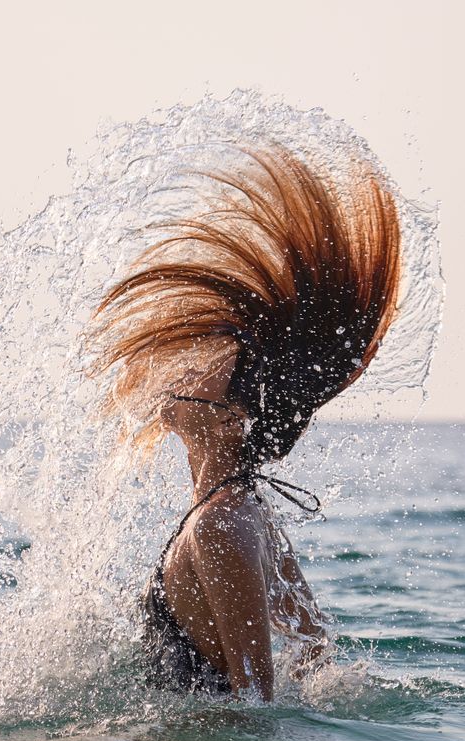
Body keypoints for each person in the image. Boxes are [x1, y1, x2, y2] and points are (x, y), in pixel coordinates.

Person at [89, 145, 403, 701]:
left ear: (237, 418)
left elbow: (253, 706)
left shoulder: (220, 526)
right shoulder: (244, 512)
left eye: (215, 368)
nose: (192, 368)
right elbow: (315, 652)